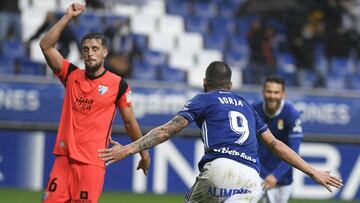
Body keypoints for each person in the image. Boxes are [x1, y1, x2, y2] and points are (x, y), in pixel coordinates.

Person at [99, 61, 343, 203]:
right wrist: (314, 172)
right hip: (251, 179)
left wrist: (129, 150)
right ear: (230, 86)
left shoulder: (203, 99)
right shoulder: (248, 107)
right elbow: (277, 146)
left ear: (206, 83)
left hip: (218, 169)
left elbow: (165, 131)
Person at [39, 3, 150, 202]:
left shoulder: (118, 85)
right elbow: (45, 46)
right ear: (82, 53)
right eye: (86, 49)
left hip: (92, 162)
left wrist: (144, 153)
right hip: (64, 158)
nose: (90, 53)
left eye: (95, 49)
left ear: (104, 53)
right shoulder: (71, 76)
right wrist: (66, 17)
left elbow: (129, 123)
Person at [253, 75, 303, 203]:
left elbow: (294, 150)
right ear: (263, 92)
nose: (272, 96)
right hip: (256, 173)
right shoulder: (253, 111)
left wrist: (276, 175)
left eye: (276, 92)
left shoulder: (291, 114)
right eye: (269, 91)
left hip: (282, 178)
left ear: (283, 94)